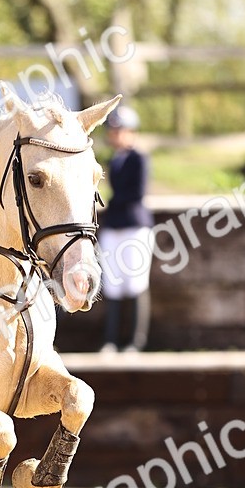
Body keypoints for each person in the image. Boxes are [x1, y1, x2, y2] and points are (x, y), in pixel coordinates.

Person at [98, 104, 153, 353]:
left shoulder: (139, 158)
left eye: (121, 131)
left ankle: (135, 341)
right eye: (114, 131)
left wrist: (111, 203)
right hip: (114, 225)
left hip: (133, 224)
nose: (117, 135)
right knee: (113, 283)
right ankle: (111, 339)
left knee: (135, 282)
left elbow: (136, 192)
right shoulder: (114, 159)